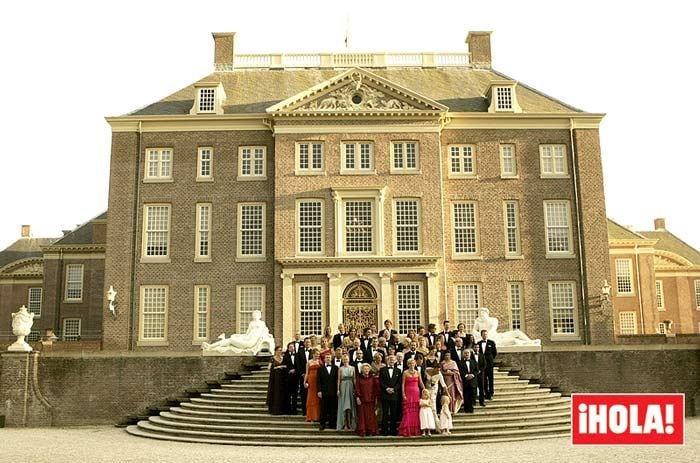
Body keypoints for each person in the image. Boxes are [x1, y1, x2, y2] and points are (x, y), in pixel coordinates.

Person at [201, 309, 274, 355]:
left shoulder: (262, 323)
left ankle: (210, 346)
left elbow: (265, 333)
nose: (254, 315)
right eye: (253, 314)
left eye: (256, 314)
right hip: (246, 340)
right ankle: (211, 347)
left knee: (230, 340)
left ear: (259, 316)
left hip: (250, 343)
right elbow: (247, 334)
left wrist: (268, 335)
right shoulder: (251, 323)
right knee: (232, 338)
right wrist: (239, 336)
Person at [398, 358, 424, 437]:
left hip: (416, 392)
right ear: (408, 364)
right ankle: (407, 429)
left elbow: (421, 383)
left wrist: (425, 391)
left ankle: (415, 430)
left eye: (413, 363)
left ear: (415, 363)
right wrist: (403, 394)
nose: (412, 364)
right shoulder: (405, 372)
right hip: (408, 392)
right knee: (408, 411)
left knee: (416, 412)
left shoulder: (418, 372)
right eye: (410, 363)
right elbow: (403, 384)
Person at [379, 354, 402, 436]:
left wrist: (394, 389)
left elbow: (399, 383)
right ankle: (384, 431)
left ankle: (393, 430)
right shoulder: (382, 370)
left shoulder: (398, 371)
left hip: (394, 394)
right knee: (385, 413)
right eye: (390, 359)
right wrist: (387, 388)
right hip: (385, 394)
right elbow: (381, 382)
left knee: (393, 413)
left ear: (395, 361)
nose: (391, 361)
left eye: (393, 360)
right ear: (387, 361)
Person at [354, 363, 379, 436]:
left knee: (370, 416)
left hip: (371, 399)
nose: (366, 370)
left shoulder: (372, 378)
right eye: (365, 369)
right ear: (362, 370)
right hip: (362, 399)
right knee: (362, 416)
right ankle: (363, 430)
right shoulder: (359, 378)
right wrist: (357, 397)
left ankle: (371, 430)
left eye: (368, 369)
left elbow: (375, 389)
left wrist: (376, 398)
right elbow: (357, 388)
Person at [316, 353, 339, 430]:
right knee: (323, 409)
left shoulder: (336, 368)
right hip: (324, 391)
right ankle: (322, 424)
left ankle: (332, 424)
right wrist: (319, 391)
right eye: (326, 358)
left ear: (331, 359)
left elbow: (337, 380)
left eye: (329, 357)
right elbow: (318, 381)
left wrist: (338, 390)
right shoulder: (320, 369)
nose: (328, 359)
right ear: (324, 359)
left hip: (333, 391)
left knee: (333, 408)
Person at [336, 354, 356, 431]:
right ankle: (344, 424)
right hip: (343, 387)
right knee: (343, 405)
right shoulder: (340, 369)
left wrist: (355, 388)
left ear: (349, 359)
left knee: (350, 405)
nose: (345, 361)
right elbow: (338, 380)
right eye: (344, 359)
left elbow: (354, 379)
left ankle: (350, 423)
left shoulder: (353, 368)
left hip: (350, 387)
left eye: (346, 359)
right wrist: (338, 389)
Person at [475, 329, 497, 400]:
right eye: (483, 334)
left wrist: (490, 359)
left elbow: (494, 353)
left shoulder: (491, 342)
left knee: (490, 378)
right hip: (481, 365)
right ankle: (485, 393)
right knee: (483, 379)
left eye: (486, 334)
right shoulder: (478, 343)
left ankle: (491, 392)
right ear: (481, 335)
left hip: (489, 364)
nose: (485, 335)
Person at [266, 346, 288, 415]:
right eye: (278, 350)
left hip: (282, 378)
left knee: (281, 392)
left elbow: (286, 366)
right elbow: (269, 367)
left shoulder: (284, 358)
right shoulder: (272, 359)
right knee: (275, 392)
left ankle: (282, 409)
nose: (279, 351)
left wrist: (280, 366)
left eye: (280, 350)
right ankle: (274, 410)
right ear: (275, 351)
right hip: (274, 378)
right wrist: (273, 367)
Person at [304, 349, 321, 422]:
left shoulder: (320, 361)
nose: (317, 355)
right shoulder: (309, 362)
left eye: (318, 354)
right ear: (313, 354)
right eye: (316, 354)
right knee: (311, 398)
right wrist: (305, 382)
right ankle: (310, 416)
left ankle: (317, 416)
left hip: (318, 381)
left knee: (317, 398)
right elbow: (307, 373)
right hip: (311, 380)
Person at [426, 367, 446, 431]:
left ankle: (436, 425)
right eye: (437, 370)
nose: (438, 371)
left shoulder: (439, 374)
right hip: (426, 391)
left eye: (439, 370)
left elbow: (443, 385)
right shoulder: (426, 370)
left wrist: (448, 394)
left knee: (433, 408)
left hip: (434, 391)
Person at [283, 341, 300, 414]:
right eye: (290, 347)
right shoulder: (285, 356)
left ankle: (294, 409)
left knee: (295, 394)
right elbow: (284, 365)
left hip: (296, 377)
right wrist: (289, 370)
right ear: (288, 348)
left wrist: (295, 370)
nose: (291, 348)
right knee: (288, 394)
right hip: (288, 378)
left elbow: (299, 365)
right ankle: (288, 409)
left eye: (292, 347)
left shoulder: (297, 355)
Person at [298, 338, 313, 415]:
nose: (307, 343)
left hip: (312, 376)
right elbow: (298, 364)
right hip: (303, 376)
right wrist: (302, 373)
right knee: (303, 393)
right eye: (306, 342)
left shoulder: (313, 352)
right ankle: (304, 411)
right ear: (304, 343)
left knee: (311, 394)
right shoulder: (300, 352)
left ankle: (310, 411)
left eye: (309, 342)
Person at [462, 349, 478, 413]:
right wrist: (466, 376)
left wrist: (472, 375)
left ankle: (471, 408)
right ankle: (466, 409)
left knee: (472, 395)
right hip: (465, 381)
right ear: (463, 355)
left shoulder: (474, 362)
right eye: (465, 353)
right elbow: (460, 371)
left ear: (470, 354)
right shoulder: (460, 363)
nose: (467, 354)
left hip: (472, 381)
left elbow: (476, 370)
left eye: (468, 353)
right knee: (466, 395)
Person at [473, 342, 486, 407]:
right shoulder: (471, 356)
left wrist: (480, 370)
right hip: (474, 375)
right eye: (475, 347)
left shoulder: (482, 355)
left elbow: (484, 364)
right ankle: (474, 401)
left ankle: (482, 402)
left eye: (478, 347)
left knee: (481, 388)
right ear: (473, 348)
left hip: (481, 374)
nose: (476, 348)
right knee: (474, 388)